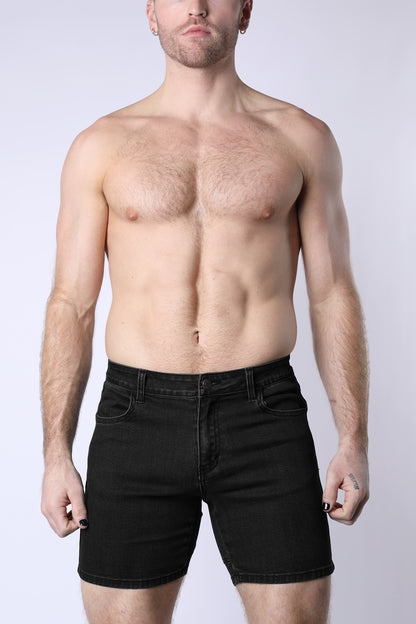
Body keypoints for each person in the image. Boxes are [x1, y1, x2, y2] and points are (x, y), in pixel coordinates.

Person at [40, 1, 370, 622]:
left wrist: (353, 440)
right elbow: (71, 304)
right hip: (136, 417)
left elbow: (332, 293)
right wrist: (56, 452)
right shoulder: (102, 145)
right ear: (151, 13)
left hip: (263, 414)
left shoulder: (301, 138)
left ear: (245, 10)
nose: (195, 6)